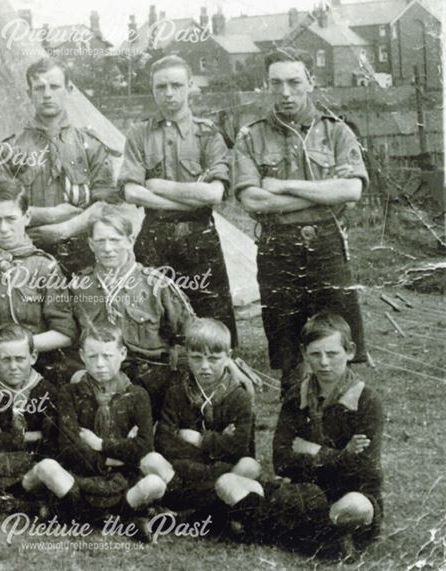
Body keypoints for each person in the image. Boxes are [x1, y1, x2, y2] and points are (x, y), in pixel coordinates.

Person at [232, 48, 369, 390]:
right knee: (285, 335)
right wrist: (321, 194)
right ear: (267, 85)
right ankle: (294, 405)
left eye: (294, 82)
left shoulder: (336, 131)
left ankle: (341, 405)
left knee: (336, 328)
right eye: (276, 83)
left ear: (311, 82)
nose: (285, 92)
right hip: (277, 246)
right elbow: (252, 198)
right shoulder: (251, 135)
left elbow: (351, 189)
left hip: (326, 244)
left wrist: (285, 186)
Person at [120, 55, 237, 346]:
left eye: (176, 85)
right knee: (153, 317)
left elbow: (214, 194)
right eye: (161, 87)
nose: (168, 94)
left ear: (190, 86)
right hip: (154, 237)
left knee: (211, 317)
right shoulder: (138, 133)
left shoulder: (208, 134)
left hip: (200, 238)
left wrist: (158, 185)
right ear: (152, 88)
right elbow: (131, 192)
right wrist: (188, 200)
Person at [271, 312, 383, 561]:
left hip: (352, 493)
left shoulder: (367, 400)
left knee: (354, 506)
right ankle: (331, 538)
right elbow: (280, 459)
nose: (324, 363)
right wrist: (343, 454)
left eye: (332, 354)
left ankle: (312, 536)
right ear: (303, 353)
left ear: (350, 351)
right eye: (315, 354)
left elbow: (364, 468)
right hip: (309, 492)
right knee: (283, 494)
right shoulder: (294, 397)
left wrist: (313, 451)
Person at [0, 57, 118, 275]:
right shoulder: (9, 149)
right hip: (27, 255)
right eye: (39, 88)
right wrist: (51, 214)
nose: (47, 94)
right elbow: (2, 206)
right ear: (29, 94)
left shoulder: (91, 145)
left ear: (68, 90)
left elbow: (105, 205)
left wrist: (64, 229)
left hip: (84, 254)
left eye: (54, 86)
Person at [69, 206, 194, 417]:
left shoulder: (155, 284)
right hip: (97, 375)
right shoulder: (79, 287)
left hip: (149, 380)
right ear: (91, 244)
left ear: (130, 240)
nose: (108, 248)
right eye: (100, 241)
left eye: (115, 240)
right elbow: (71, 340)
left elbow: (191, 332)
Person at [50, 324, 174, 535]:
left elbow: (144, 446)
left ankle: (105, 516)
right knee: (52, 471)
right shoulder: (69, 393)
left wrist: (101, 445)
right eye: (92, 356)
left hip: (124, 477)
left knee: (154, 484)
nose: (100, 364)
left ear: (123, 354)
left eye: (107, 356)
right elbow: (70, 447)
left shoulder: (137, 395)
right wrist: (115, 456)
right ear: (82, 356)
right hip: (84, 475)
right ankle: (123, 518)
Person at [0, 180, 76, 380]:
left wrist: (11, 350)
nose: (4, 228)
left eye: (11, 219)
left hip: (36, 373)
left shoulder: (44, 267)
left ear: (26, 217)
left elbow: (65, 334)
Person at [155, 318, 262, 520]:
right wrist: (220, 441)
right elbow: (164, 442)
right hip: (188, 470)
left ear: (228, 357)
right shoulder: (177, 392)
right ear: (187, 356)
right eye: (196, 358)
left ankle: (194, 510)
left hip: (224, 471)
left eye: (213, 359)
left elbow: (240, 447)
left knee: (249, 465)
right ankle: (214, 507)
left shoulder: (239, 396)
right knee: (154, 461)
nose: (205, 367)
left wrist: (199, 440)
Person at [0, 324, 61, 512]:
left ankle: (13, 501)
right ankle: (10, 500)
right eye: (5, 359)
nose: (13, 367)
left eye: (20, 359)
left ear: (33, 357)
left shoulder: (48, 391)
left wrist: (4, 436)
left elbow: (52, 442)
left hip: (33, 470)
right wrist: (32, 436)